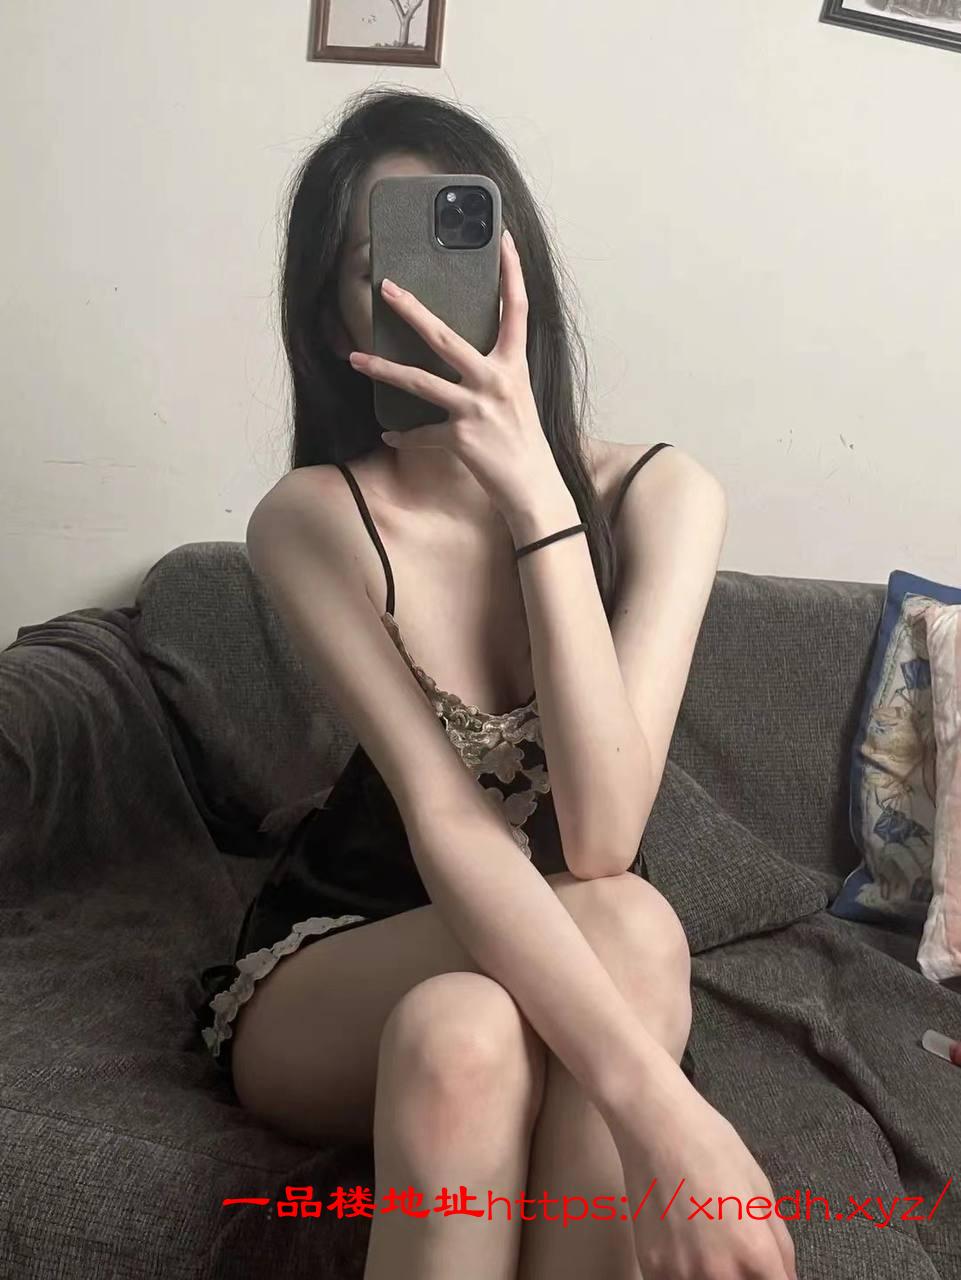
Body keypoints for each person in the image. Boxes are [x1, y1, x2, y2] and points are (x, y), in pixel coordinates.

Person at [195, 87, 797, 1280]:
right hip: (352, 949)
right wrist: (666, 1111)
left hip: (554, 953)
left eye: (458, 246)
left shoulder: (665, 494)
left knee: (492, 1007)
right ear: (329, 313)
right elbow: (446, 817)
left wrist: (534, 498)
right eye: (374, 265)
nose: (421, 296)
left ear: (521, 274)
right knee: (621, 929)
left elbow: (602, 830)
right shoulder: (313, 519)